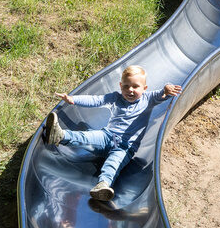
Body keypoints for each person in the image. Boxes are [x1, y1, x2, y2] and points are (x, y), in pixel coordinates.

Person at [43, 65, 182, 201]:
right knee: (87, 137)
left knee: (113, 164)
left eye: (135, 86)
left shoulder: (148, 99)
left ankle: (102, 186)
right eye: (126, 86)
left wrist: (167, 88)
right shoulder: (116, 98)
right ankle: (59, 135)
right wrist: (73, 99)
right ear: (121, 86)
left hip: (125, 147)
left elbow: (162, 94)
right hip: (108, 136)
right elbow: (96, 100)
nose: (130, 90)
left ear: (144, 88)